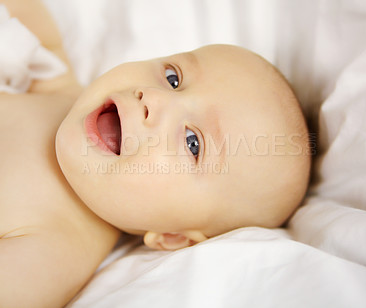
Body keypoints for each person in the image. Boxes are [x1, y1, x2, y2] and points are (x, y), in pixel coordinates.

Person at [0, 0, 311, 307]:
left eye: (193, 143)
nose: (155, 99)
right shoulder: (57, 88)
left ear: (173, 237)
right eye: (173, 78)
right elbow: (28, 20)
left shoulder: (58, 250)